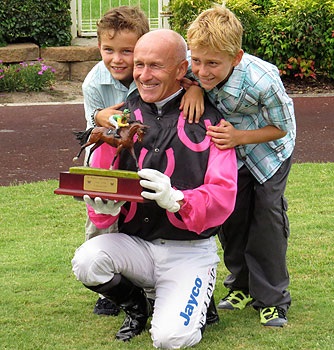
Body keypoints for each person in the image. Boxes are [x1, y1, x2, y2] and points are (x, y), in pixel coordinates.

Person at [71, 29, 238, 347]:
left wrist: (178, 199)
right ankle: (137, 306)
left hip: (188, 251)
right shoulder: (120, 120)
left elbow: (223, 195)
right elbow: (102, 183)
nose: (144, 76)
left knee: (171, 339)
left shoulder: (212, 124)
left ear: (180, 70)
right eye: (140, 65)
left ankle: (196, 291)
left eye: (155, 66)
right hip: (137, 245)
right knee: (87, 261)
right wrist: (103, 209)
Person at [186, 5, 296, 327]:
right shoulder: (197, 67)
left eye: (212, 64)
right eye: (196, 61)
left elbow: (282, 128)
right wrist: (192, 86)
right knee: (231, 217)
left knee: (266, 220)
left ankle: (273, 300)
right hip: (231, 153)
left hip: (269, 151)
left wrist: (239, 137)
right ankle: (241, 286)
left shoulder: (264, 80)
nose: (202, 71)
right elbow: (184, 73)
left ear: (236, 57)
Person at [81, 6, 149, 316]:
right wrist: (99, 117)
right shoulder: (95, 82)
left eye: (127, 51)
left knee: (142, 220)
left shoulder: (153, 70)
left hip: (146, 158)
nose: (117, 59)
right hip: (106, 162)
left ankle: (148, 283)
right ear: (98, 48)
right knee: (101, 221)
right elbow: (92, 137)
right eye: (108, 50)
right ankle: (111, 288)